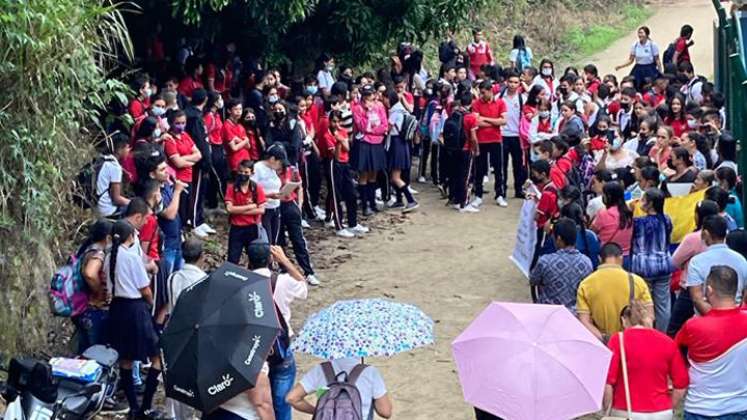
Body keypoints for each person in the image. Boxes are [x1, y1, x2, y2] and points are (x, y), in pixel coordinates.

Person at [104, 220, 162, 419]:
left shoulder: (109, 257)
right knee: (157, 356)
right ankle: (145, 405)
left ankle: (133, 406)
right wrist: (151, 302)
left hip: (117, 309)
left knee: (126, 359)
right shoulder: (131, 257)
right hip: (135, 308)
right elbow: (144, 288)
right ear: (131, 237)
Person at [675, 266, 747, 419]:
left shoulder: (692, 326)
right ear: (737, 290)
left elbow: (675, 356)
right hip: (740, 408)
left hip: (699, 409)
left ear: (709, 290)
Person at [247, 241, 307, 420]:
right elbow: (303, 288)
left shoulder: (242, 283)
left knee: (259, 402)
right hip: (280, 346)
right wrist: (285, 260)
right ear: (271, 258)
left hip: (254, 350)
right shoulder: (281, 281)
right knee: (282, 403)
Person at [604, 300, 688, 419]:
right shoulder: (667, 342)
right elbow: (681, 384)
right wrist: (669, 407)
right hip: (661, 411)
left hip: (626, 410)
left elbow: (608, 382)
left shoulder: (617, 340)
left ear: (624, 320)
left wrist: (607, 410)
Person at [577, 243, 654, 343]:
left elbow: (584, 321)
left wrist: (604, 338)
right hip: (632, 341)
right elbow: (649, 317)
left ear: (600, 259)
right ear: (621, 258)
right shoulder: (637, 281)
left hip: (604, 343)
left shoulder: (586, 284)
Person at [164, 239, 205, 420]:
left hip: (176, 334)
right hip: (196, 336)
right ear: (201, 257)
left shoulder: (173, 277)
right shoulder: (204, 280)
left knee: (176, 379)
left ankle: (176, 415)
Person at [668, 200, 720, 337]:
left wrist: (685, 266)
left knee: (674, 329)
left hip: (689, 290)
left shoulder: (693, 238)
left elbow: (674, 261)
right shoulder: (723, 237)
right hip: (716, 289)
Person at [286, 358, 393, 420]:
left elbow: (292, 398)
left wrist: (318, 411)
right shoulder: (370, 372)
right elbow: (385, 412)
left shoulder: (320, 369)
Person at [631, 188, 674, 332]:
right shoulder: (667, 220)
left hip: (644, 268)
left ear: (650, 204)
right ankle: (662, 334)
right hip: (664, 266)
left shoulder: (638, 223)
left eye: (643, 200)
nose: (640, 203)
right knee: (663, 305)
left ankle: (647, 333)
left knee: (644, 305)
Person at [687, 215, 747, 314]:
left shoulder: (696, 262)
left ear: (705, 234)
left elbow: (697, 299)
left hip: (706, 321)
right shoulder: (741, 260)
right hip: (736, 317)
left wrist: (714, 318)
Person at [529, 218, 593, 309]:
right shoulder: (587, 262)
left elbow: (533, 280)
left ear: (558, 239)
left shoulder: (545, 261)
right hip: (575, 313)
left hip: (548, 310)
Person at [325, 110, 370, 236]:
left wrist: (341, 140)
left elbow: (348, 148)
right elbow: (336, 155)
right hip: (334, 165)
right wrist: (340, 141)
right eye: (334, 121)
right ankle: (339, 226)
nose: (337, 124)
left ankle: (353, 223)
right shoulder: (327, 135)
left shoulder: (343, 132)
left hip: (345, 165)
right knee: (336, 196)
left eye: (339, 121)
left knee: (351, 194)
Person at [276, 162, 320, 285]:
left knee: (298, 240)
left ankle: (308, 272)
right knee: (278, 240)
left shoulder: (292, 170)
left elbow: (299, 187)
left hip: (290, 205)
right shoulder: (267, 172)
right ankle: (283, 269)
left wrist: (299, 205)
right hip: (275, 207)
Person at [74, 219, 113, 354]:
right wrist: (99, 292)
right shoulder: (99, 253)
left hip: (83, 308)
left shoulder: (86, 249)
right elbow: (90, 273)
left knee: (84, 352)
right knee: (94, 354)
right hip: (94, 309)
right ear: (108, 237)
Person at [352, 85, 389, 216]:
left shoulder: (379, 106)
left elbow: (384, 125)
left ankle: (372, 202)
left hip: (377, 142)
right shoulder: (357, 108)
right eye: (367, 95)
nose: (370, 98)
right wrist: (368, 112)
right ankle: (365, 204)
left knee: (374, 173)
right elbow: (361, 126)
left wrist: (374, 130)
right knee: (364, 174)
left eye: (371, 94)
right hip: (364, 143)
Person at [164, 110, 203, 234]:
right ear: (171, 123)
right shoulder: (170, 140)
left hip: (189, 177)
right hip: (177, 180)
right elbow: (178, 163)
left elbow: (198, 154)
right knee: (178, 210)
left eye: (183, 123)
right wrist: (190, 160)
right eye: (178, 123)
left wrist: (184, 159)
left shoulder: (185, 135)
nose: (181, 126)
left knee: (187, 209)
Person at [471, 80, 508, 208]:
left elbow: (503, 121)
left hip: (495, 139)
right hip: (481, 140)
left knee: (499, 168)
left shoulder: (500, 103)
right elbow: (476, 122)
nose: (481, 95)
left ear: (490, 91)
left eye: (483, 92)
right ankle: (478, 195)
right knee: (479, 169)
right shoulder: (476, 103)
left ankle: (499, 194)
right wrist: (494, 122)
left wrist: (485, 119)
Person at [226, 160, 266, 264]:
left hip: (252, 227)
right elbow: (229, 209)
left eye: (246, 172)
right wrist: (250, 206)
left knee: (255, 259)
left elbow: (261, 209)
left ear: (252, 173)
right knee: (232, 259)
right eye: (240, 172)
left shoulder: (256, 188)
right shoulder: (232, 187)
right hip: (236, 228)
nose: (243, 174)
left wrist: (238, 211)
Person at [385, 90, 418, 212]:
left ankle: (410, 200)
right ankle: (399, 200)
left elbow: (387, 128)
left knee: (395, 177)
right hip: (402, 144)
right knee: (395, 174)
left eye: (385, 98)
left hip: (396, 144)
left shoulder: (395, 112)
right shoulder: (401, 110)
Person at [591, 182, 634, 268]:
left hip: (608, 257)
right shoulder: (629, 212)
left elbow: (593, 231)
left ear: (608, 197)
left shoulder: (603, 213)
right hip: (626, 257)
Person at [500, 70, 527, 200]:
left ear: (519, 84)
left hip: (516, 136)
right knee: (502, 164)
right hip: (502, 134)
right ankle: (501, 189)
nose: (512, 85)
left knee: (518, 165)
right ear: (506, 82)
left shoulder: (523, 99)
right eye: (510, 82)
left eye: (515, 82)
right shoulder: (499, 97)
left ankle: (518, 189)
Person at [96, 133, 132, 217]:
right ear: (119, 150)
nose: (129, 150)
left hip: (96, 204)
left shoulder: (102, 158)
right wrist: (133, 203)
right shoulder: (115, 167)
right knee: (138, 209)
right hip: (107, 210)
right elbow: (116, 198)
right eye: (127, 147)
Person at [616, 26, 661, 91]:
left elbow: (657, 59)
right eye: (639, 33)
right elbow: (631, 60)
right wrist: (621, 66)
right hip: (638, 69)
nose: (640, 35)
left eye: (642, 33)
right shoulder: (635, 45)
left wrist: (660, 71)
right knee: (633, 85)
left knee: (650, 86)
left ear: (647, 34)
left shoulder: (652, 45)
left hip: (650, 69)